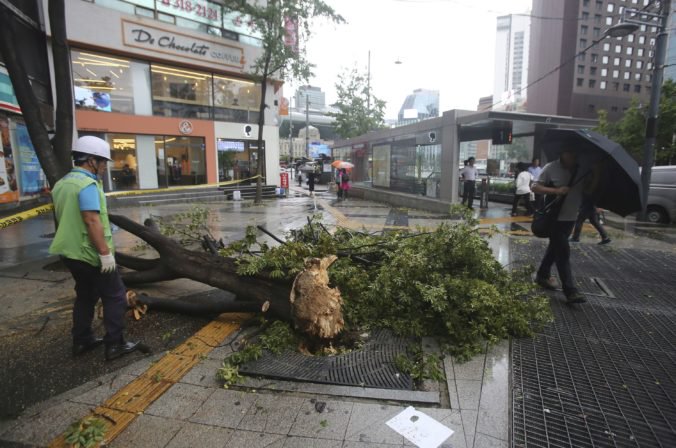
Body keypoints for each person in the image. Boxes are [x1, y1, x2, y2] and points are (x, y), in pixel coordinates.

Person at [49, 136, 143, 360]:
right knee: (116, 297)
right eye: (102, 162)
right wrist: (105, 255)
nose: (104, 167)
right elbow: (91, 220)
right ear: (91, 161)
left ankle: (82, 340)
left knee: (85, 296)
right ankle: (115, 344)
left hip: (70, 253)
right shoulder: (88, 185)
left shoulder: (62, 184)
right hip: (91, 253)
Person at [531, 149, 586, 304]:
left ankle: (542, 274)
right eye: (570, 153)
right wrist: (556, 190)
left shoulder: (582, 169)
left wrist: (596, 173)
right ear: (562, 153)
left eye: (575, 154)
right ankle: (570, 291)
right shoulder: (551, 167)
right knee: (563, 251)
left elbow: (588, 190)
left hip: (571, 217)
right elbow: (535, 187)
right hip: (555, 217)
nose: (573, 156)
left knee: (555, 248)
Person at [570, 166, 611, 244]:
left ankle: (575, 237)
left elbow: (589, 191)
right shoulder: (591, 178)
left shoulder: (594, 179)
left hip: (588, 204)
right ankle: (605, 237)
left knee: (579, 220)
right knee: (594, 221)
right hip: (589, 204)